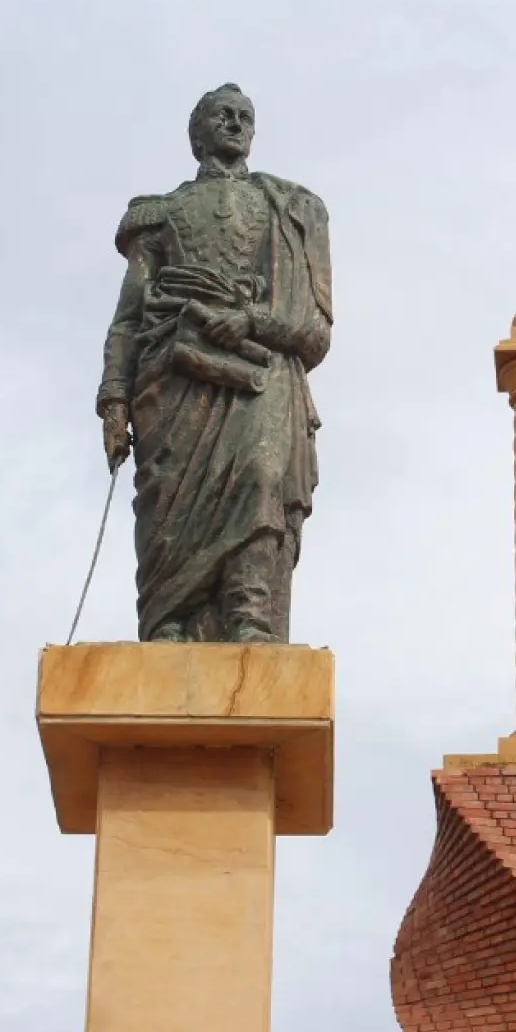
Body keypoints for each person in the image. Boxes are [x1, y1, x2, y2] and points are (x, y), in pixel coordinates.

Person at [96, 82, 332, 643]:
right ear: (197, 132)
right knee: (169, 494)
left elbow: (316, 333)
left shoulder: (291, 211)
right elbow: (130, 316)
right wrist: (113, 399)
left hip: (261, 373)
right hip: (173, 379)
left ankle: (250, 615)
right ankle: (167, 620)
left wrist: (253, 322)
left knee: (261, 475)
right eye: (221, 115)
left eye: (244, 116)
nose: (234, 123)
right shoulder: (161, 214)